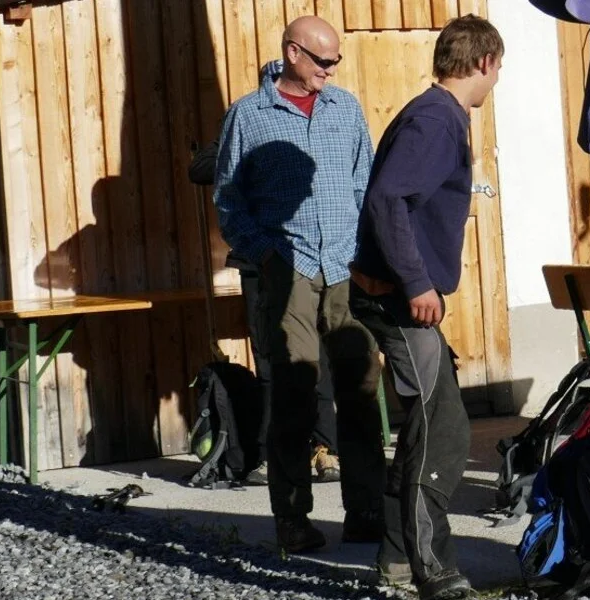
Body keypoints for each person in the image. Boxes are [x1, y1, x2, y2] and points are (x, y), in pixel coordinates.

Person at [211, 15, 384, 554]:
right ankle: (292, 518)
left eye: (336, 62)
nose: (331, 72)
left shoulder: (346, 108)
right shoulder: (248, 116)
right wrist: (267, 255)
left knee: (360, 387)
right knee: (294, 395)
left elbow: (366, 183)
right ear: (292, 53)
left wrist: (369, 258)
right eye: (322, 61)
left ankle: (366, 512)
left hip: (344, 269)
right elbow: (228, 202)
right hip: (287, 273)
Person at [348, 15, 504, 600]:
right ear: (485, 62)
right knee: (442, 433)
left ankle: (393, 560)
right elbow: (387, 197)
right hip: (397, 298)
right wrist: (415, 281)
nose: (495, 83)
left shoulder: (434, 114)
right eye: (497, 71)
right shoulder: (437, 120)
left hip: (394, 293)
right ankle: (432, 567)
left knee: (428, 424)